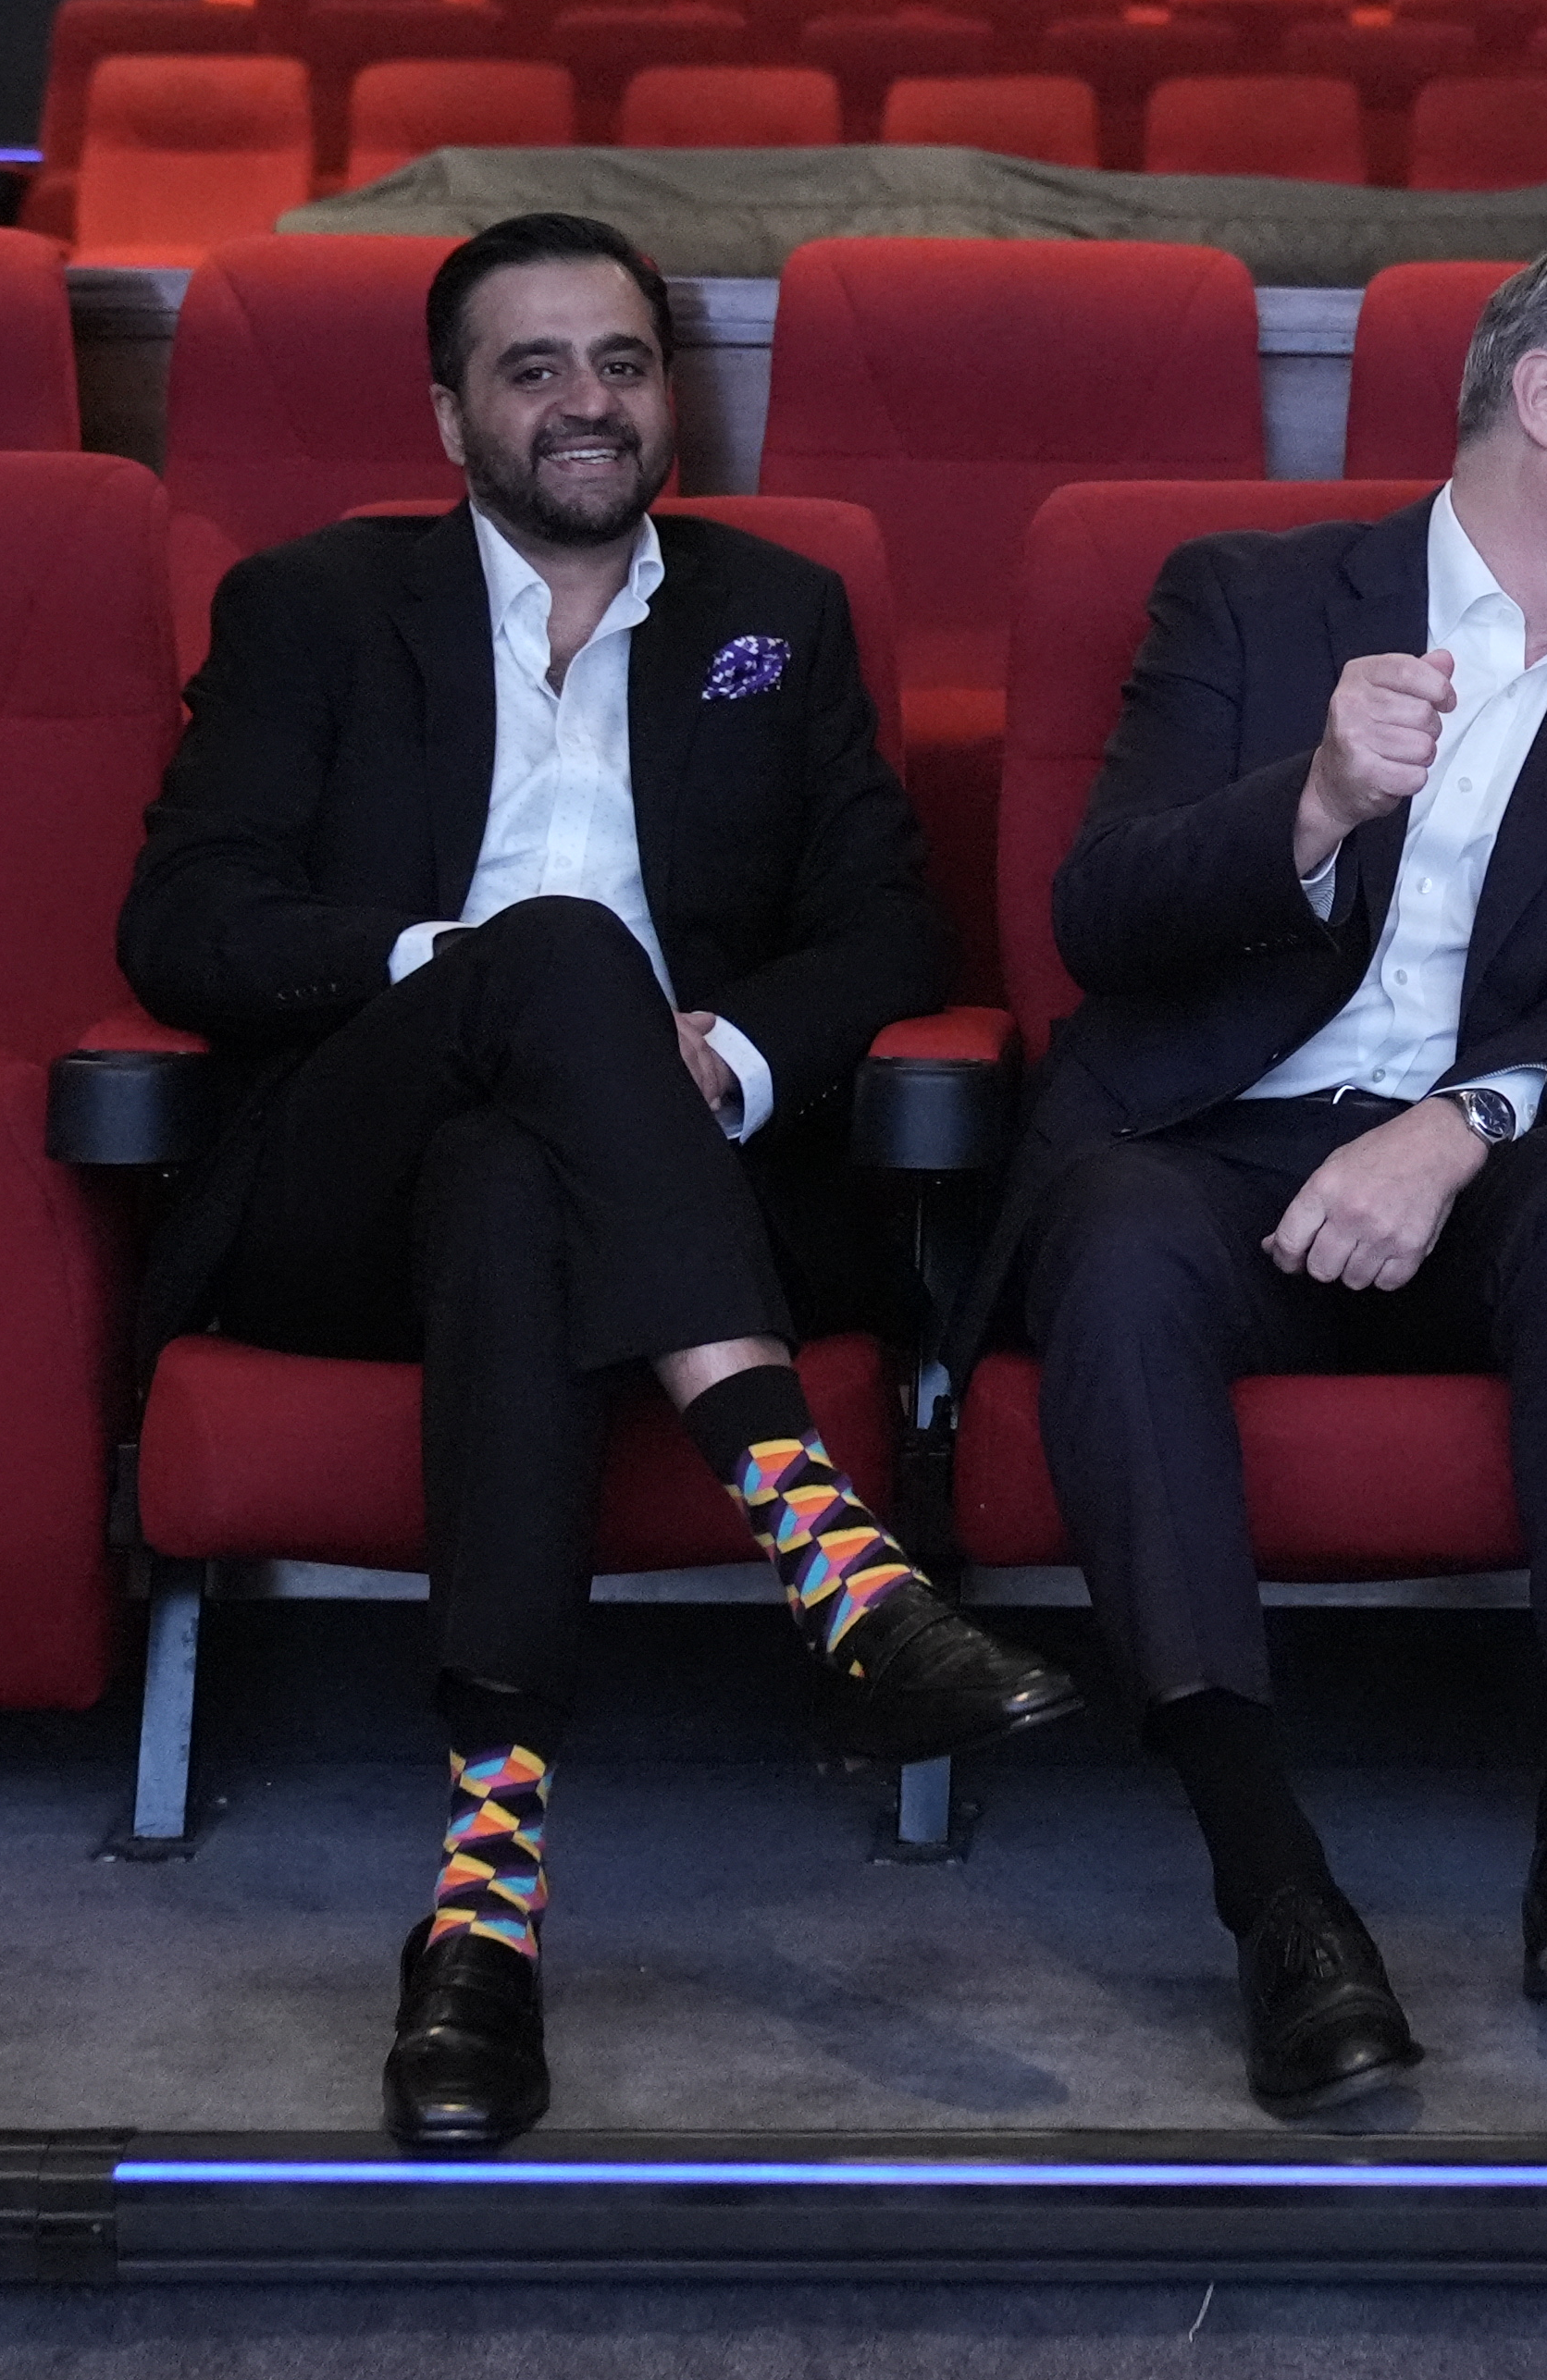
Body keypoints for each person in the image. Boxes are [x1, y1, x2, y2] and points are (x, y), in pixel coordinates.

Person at [120, 209, 1079, 2152]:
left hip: (648, 1186)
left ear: (671, 392)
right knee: (547, 953)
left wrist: (713, 1054)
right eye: (534, 365)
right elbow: (187, 924)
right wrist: (461, 973)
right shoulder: (317, 605)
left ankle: (484, 1909)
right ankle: (819, 1538)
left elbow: (885, 931)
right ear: (450, 408)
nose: (586, 400)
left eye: (623, 361)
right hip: (338, 1192)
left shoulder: (776, 609)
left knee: (512, 1184)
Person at [1007, 231, 1547, 2116]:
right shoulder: (1250, 601)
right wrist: (1319, 803)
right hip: (1213, 1144)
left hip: (1471, 1161)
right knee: (1106, 1240)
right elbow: (1100, 914)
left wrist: (1455, 1125)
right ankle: (1277, 1894)